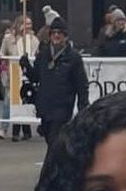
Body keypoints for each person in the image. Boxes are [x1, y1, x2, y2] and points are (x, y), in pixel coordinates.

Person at [26, 17, 89, 164]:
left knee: (55, 143)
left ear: (65, 36)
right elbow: (35, 77)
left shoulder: (73, 57)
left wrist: (83, 107)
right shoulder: (44, 54)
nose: (56, 35)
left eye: (59, 33)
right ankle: (66, 168)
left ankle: (49, 177)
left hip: (62, 107)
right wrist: (26, 66)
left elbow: (81, 85)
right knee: (52, 142)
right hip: (45, 106)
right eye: (53, 32)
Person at [0, 15, 38, 142]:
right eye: (26, 24)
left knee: (25, 100)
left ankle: (26, 131)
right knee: (11, 101)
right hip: (13, 75)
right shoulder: (9, 39)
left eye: (30, 24)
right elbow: (1, 54)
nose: (28, 26)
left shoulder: (34, 40)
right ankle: (6, 129)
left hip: (27, 76)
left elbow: (36, 56)